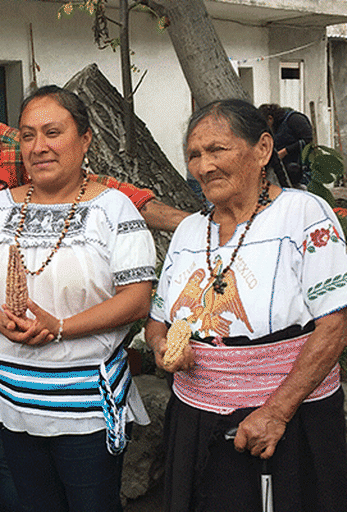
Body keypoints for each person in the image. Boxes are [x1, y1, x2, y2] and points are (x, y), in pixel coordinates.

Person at [0, 85, 156, 512]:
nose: (39, 147)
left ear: (85, 140)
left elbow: (137, 299)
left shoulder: (115, 210)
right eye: (27, 135)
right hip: (13, 401)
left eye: (52, 132)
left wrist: (60, 328)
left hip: (84, 409)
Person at [146, 99, 347, 512]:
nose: (204, 166)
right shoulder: (188, 230)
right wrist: (162, 347)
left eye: (217, 149)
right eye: (194, 155)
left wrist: (276, 412)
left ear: (262, 149)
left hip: (288, 420)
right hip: (196, 418)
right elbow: (157, 322)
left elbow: (335, 324)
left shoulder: (303, 214)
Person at [258, 103, 313, 186]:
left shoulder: (294, 119)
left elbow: (308, 140)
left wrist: (285, 151)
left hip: (300, 170)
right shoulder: (275, 129)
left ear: (270, 119)